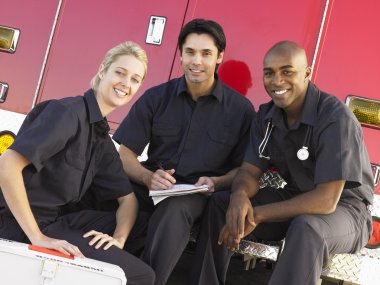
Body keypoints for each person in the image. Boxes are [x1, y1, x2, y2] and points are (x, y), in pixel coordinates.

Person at [189, 40, 374, 285]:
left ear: (307, 73)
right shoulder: (266, 116)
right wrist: (239, 198)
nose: (276, 81)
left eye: (287, 72)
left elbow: (326, 200)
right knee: (223, 205)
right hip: (295, 197)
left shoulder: (335, 118)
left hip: (346, 211)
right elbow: (249, 171)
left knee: (307, 228)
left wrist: (258, 214)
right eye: (269, 73)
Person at [112, 19, 255, 285]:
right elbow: (124, 154)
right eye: (190, 52)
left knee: (174, 210)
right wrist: (147, 177)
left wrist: (217, 181)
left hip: (198, 195)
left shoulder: (241, 111)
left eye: (206, 53)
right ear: (180, 55)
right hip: (151, 187)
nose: (196, 61)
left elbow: (244, 169)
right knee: (99, 191)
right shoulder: (156, 97)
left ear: (219, 57)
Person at [0, 41, 155, 285]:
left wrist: (118, 239)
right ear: (103, 70)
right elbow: (7, 165)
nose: (126, 83)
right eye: (120, 72)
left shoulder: (100, 137)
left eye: (135, 79)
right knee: (142, 276)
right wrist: (38, 237)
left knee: (149, 224)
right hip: (22, 224)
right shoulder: (68, 113)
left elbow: (128, 200)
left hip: (57, 220)